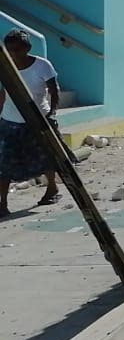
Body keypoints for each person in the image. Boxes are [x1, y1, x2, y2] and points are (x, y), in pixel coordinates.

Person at [0, 29, 61, 217]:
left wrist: (52, 113)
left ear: (27, 48)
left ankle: (52, 188)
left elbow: (54, 90)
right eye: (9, 50)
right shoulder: (4, 67)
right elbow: (2, 93)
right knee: (4, 163)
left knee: (46, 157)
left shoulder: (42, 66)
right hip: (10, 122)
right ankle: (3, 203)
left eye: (17, 49)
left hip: (37, 120)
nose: (13, 54)